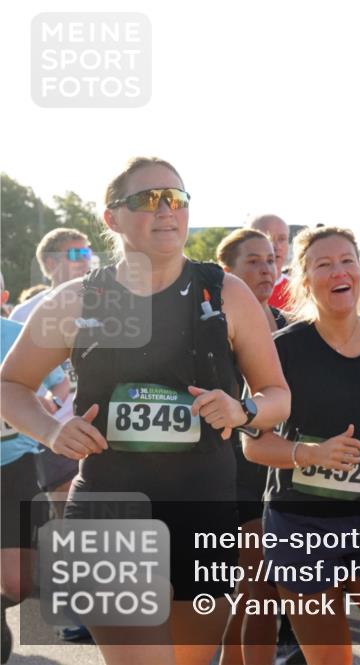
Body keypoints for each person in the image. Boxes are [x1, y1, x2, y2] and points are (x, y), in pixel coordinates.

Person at [0, 157, 290, 665]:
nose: (166, 210)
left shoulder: (222, 293)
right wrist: (51, 429)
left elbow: (277, 395)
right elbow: (10, 384)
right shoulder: (80, 301)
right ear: (111, 218)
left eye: (176, 198)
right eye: (148, 199)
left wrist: (241, 409)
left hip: (205, 512)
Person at [244, 226, 360, 665]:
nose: (338, 271)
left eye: (347, 261)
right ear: (304, 281)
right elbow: (253, 446)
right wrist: (308, 454)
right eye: (323, 265)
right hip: (300, 522)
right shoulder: (282, 350)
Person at [215, 227, 287, 665]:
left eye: (271, 260)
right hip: (237, 465)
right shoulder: (213, 327)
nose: (266, 269)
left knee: (263, 591)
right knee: (254, 586)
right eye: (254, 261)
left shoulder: (288, 323)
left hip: (283, 464)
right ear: (228, 273)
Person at [1, 272, 67, 665]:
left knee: (18, 583)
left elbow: (59, 385)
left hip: (16, 466)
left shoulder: (19, 335)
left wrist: (49, 413)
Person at [247, 214, 291, 311]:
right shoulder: (234, 291)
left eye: (282, 239)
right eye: (268, 239)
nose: (276, 246)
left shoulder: (302, 291)